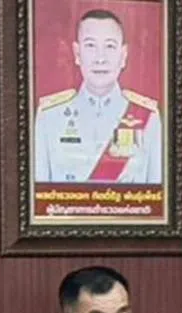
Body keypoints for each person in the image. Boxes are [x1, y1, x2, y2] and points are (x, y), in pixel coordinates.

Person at [34, 8, 162, 184]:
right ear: (77, 54)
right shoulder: (49, 117)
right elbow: (39, 199)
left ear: (123, 55)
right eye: (90, 46)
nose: (100, 58)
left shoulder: (148, 118)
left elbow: (156, 200)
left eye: (109, 46)